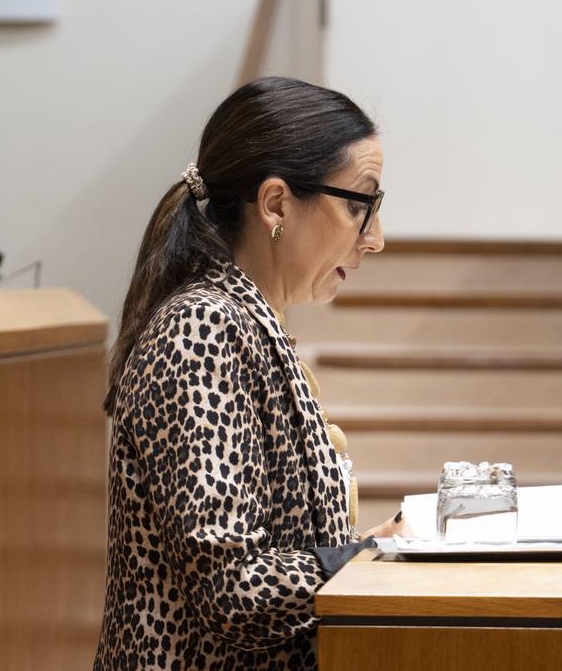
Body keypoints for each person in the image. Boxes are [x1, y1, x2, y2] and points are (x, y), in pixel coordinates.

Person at [93, 77, 407, 670]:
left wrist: (378, 547)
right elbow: (232, 587)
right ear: (276, 205)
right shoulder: (200, 331)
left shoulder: (250, 324)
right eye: (358, 205)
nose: (375, 238)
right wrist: (367, 555)